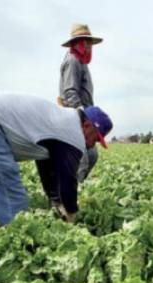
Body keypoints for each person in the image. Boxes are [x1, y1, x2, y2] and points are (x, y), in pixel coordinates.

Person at [0, 92, 112, 229]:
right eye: (95, 139)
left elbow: (45, 164)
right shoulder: (73, 133)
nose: (91, 146)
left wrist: (56, 200)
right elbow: (67, 179)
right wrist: (71, 211)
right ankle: (16, 266)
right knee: (11, 207)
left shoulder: (59, 120)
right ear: (87, 125)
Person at [59, 23, 103, 182]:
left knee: (91, 154)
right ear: (77, 43)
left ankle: (72, 191)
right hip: (75, 117)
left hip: (82, 116)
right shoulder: (73, 61)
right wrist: (82, 117)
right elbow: (70, 92)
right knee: (82, 159)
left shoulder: (80, 61)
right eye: (86, 42)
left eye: (90, 43)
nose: (89, 46)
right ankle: (69, 199)